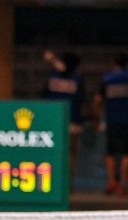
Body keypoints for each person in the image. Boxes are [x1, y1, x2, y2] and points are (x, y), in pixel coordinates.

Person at [95, 54, 128, 197]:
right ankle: (122, 185)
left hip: (112, 120)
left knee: (111, 152)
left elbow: (98, 99)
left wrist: (98, 117)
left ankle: (112, 181)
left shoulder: (107, 79)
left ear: (114, 62)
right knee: (127, 153)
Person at [43, 51, 86, 179]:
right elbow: (82, 101)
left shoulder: (53, 78)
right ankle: (66, 183)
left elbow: (44, 96)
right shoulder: (77, 80)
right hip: (72, 122)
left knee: (54, 153)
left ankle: (55, 182)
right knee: (70, 154)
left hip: (53, 122)